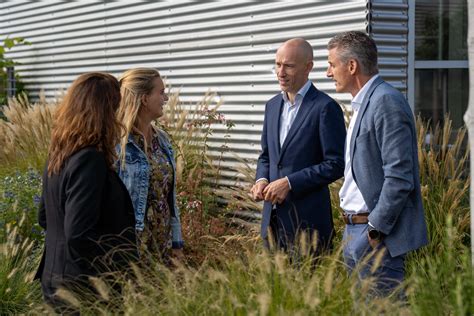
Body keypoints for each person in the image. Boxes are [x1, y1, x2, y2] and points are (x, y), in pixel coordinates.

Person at [326, 31, 428, 295]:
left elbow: (399, 177)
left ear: (352, 66)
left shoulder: (385, 102)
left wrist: (374, 231)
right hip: (354, 231)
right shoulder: (363, 104)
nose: (328, 73)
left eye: (331, 64)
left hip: (374, 236)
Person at [35, 72, 138, 311]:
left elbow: (44, 217)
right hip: (83, 286)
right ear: (105, 111)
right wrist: (119, 261)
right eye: (116, 107)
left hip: (55, 275)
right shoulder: (89, 159)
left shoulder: (59, 153)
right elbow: (78, 233)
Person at [251, 38, 346, 255]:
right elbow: (266, 156)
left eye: (289, 66)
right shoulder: (272, 106)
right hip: (272, 223)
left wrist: (290, 183)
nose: (281, 72)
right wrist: (261, 179)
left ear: (308, 67)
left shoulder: (326, 108)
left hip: (308, 226)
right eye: (277, 64)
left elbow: (336, 164)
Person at [116, 68, 184, 263]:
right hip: (132, 247)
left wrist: (177, 243)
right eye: (161, 92)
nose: (166, 98)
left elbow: (170, 196)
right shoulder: (116, 144)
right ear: (144, 99)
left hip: (162, 247)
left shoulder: (161, 140)